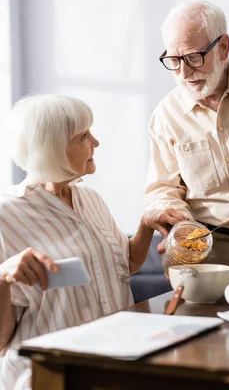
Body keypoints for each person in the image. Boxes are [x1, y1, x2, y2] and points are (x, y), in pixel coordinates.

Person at [0, 95, 176, 390]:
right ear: (53, 149)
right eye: (84, 136)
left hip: (110, 366)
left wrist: (145, 225)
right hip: (48, 377)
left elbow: (128, 264)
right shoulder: (6, 215)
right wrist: (3, 277)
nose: (96, 142)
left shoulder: (90, 199)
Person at [145, 0, 229, 281]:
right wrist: (179, 225)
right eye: (173, 60)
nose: (183, 73)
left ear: (223, 47)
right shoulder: (165, 115)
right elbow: (162, 188)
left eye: (194, 57)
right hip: (209, 250)